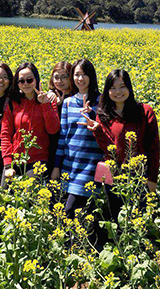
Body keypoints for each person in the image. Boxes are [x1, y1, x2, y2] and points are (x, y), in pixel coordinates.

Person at [79, 69, 160, 219]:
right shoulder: (103, 115)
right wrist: (97, 130)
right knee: (118, 221)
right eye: (113, 88)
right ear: (107, 91)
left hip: (138, 178)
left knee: (140, 221)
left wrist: (152, 179)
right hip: (113, 178)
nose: (118, 92)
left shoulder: (144, 112)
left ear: (129, 87)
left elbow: (154, 148)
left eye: (122, 87)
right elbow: (108, 148)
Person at [51, 59, 103, 217]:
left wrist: (93, 115)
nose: (80, 78)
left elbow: (106, 131)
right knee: (69, 213)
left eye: (84, 74)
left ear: (91, 76)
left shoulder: (101, 101)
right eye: (77, 75)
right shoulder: (68, 103)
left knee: (70, 210)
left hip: (91, 165)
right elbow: (63, 137)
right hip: (70, 165)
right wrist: (57, 166)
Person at [1, 62, 59, 181]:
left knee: (28, 190)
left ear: (36, 80)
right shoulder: (13, 103)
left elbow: (53, 129)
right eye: (21, 81)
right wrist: (7, 165)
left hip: (38, 162)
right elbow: (5, 134)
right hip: (15, 161)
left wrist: (45, 105)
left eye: (29, 80)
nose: (25, 84)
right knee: (4, 192)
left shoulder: (48, 100)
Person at [46, 61, 74, 171]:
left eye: (64, 77)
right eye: (56, 77)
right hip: (51, 148)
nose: (59, 81)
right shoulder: (49, 97)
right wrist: (53, 105)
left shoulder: (78, 97)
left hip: (71, 148)